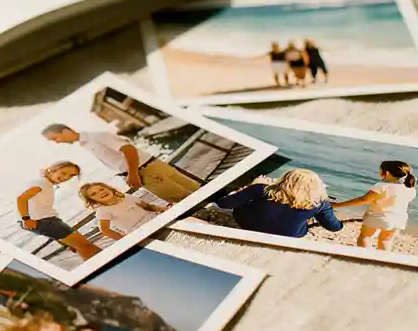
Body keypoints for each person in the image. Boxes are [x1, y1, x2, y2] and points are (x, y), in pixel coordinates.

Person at [41, 123, 200, 204]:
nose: (56, 142)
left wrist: (132, 174)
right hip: (149, 168)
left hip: (145, 171)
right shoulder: (88, 142)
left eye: (55, 138)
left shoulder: (96, 137)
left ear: (65, 131)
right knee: (194, 191)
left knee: (184, 199)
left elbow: (129, 149)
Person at [212, 168, 342, 238]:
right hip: (288, 236)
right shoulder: (319, 204)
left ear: (285, 179)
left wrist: (251, 185)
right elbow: (334, 227)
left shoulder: (260, 189)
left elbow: (221, 204)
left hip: (247, 224)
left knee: (245, 205)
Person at [16, 161, 101, 260]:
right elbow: (21, 199)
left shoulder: (44, 181)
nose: (66, 177)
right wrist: (26, 219)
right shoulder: (42, 183)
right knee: (86, 246)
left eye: (71, 175)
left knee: (79, 247)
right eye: (63, 173)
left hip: (44, 221)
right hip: (44, 221)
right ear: (54, 170)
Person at [333, 160, 417, 251]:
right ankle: (383, 261)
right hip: (399, 220)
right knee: (386, 240)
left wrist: (338, 205)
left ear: (387, 173)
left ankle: (365, 257)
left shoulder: (382, 186)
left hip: (377, 217)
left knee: (365, 237)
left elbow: (363, 200)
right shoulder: (410, 189)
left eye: (380, 170)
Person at [79, 182, 170, 240]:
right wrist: (123, 239)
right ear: (92, 200)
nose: (100, 192)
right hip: (138, 231)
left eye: (101, 189)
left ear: (109, 188)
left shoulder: (126, 197)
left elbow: (148, 207)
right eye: (94, 194)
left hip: (153, 219)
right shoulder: (103, 211)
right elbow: (105, 230)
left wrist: (164, 209)